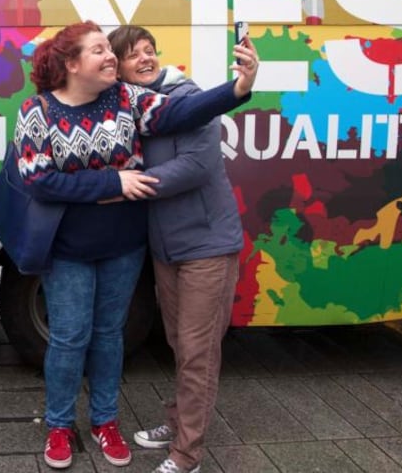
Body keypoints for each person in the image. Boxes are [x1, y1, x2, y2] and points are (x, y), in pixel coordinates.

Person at [15, 21, 258, 470]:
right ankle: (59, 426)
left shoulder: (127, 100)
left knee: (109, 337)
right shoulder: (37, 110)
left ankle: (105, 421)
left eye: (112, 49)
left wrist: (237, 88)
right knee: (69, 338)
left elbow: (181, 113)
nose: (113, 58)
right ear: (71, 64)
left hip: (124, 245)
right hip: (67, 249)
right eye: (100, 51)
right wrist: (113, 181)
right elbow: (38, 178)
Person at [108, 26, 244, 473]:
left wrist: (127, 188)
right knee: (178, 343)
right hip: (167, 247)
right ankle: (180, 422)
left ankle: (188, 454)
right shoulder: (131, 108)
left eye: (149, 51)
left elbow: (196, 166)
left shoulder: (187, 99)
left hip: (207, 243)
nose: (145, 59)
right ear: (118, 67)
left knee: (197, 350)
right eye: (133, 55)